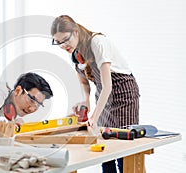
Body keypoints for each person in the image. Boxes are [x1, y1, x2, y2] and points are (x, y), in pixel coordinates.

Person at [51, 15, 140, 173]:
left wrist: (94, 117)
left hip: (123, 93)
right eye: (58, 42)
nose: (63, 45)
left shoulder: (97, 42)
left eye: (65, 40)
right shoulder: (75, 54)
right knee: (105, 150)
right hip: (104, 96)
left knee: (122, 149)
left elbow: (107, 86)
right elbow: (85, 82)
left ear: (76, 32)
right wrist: (86, 102)